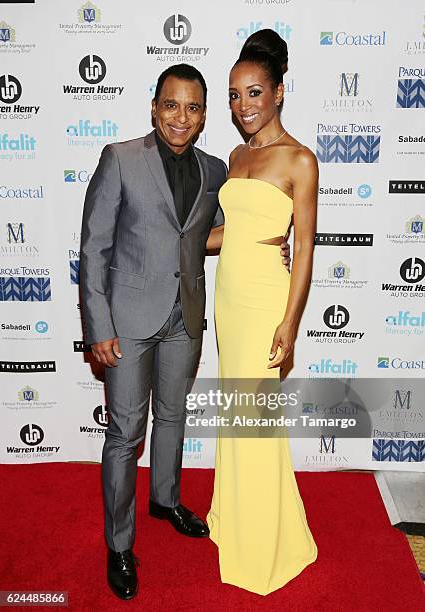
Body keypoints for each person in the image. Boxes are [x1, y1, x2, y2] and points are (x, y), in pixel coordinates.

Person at [80, 62, 292, 600]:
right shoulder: (121, 159)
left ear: (203, 117)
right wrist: (97, 325)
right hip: (127, 321)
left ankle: (166, 499)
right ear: (154, 107)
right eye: (171, 105)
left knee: (172, 414)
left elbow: (232, 226)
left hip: (187, 316)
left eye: (193, 107)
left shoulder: (216, 168)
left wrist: (272, 242)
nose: (181, 116)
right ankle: (120, 544)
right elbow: (93, 248)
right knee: (125, 433)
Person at [206, 36, 318, 595]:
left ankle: (267, 541)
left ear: (278, 91)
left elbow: (302, 250)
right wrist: (182, 239)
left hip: (266, 299)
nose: (242, 105)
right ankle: (235, 518)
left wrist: (290, 324)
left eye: (253, 93)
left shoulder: (300, 159)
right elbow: (235, 231)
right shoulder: (237, 156)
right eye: (233, 95)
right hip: (229, 295)